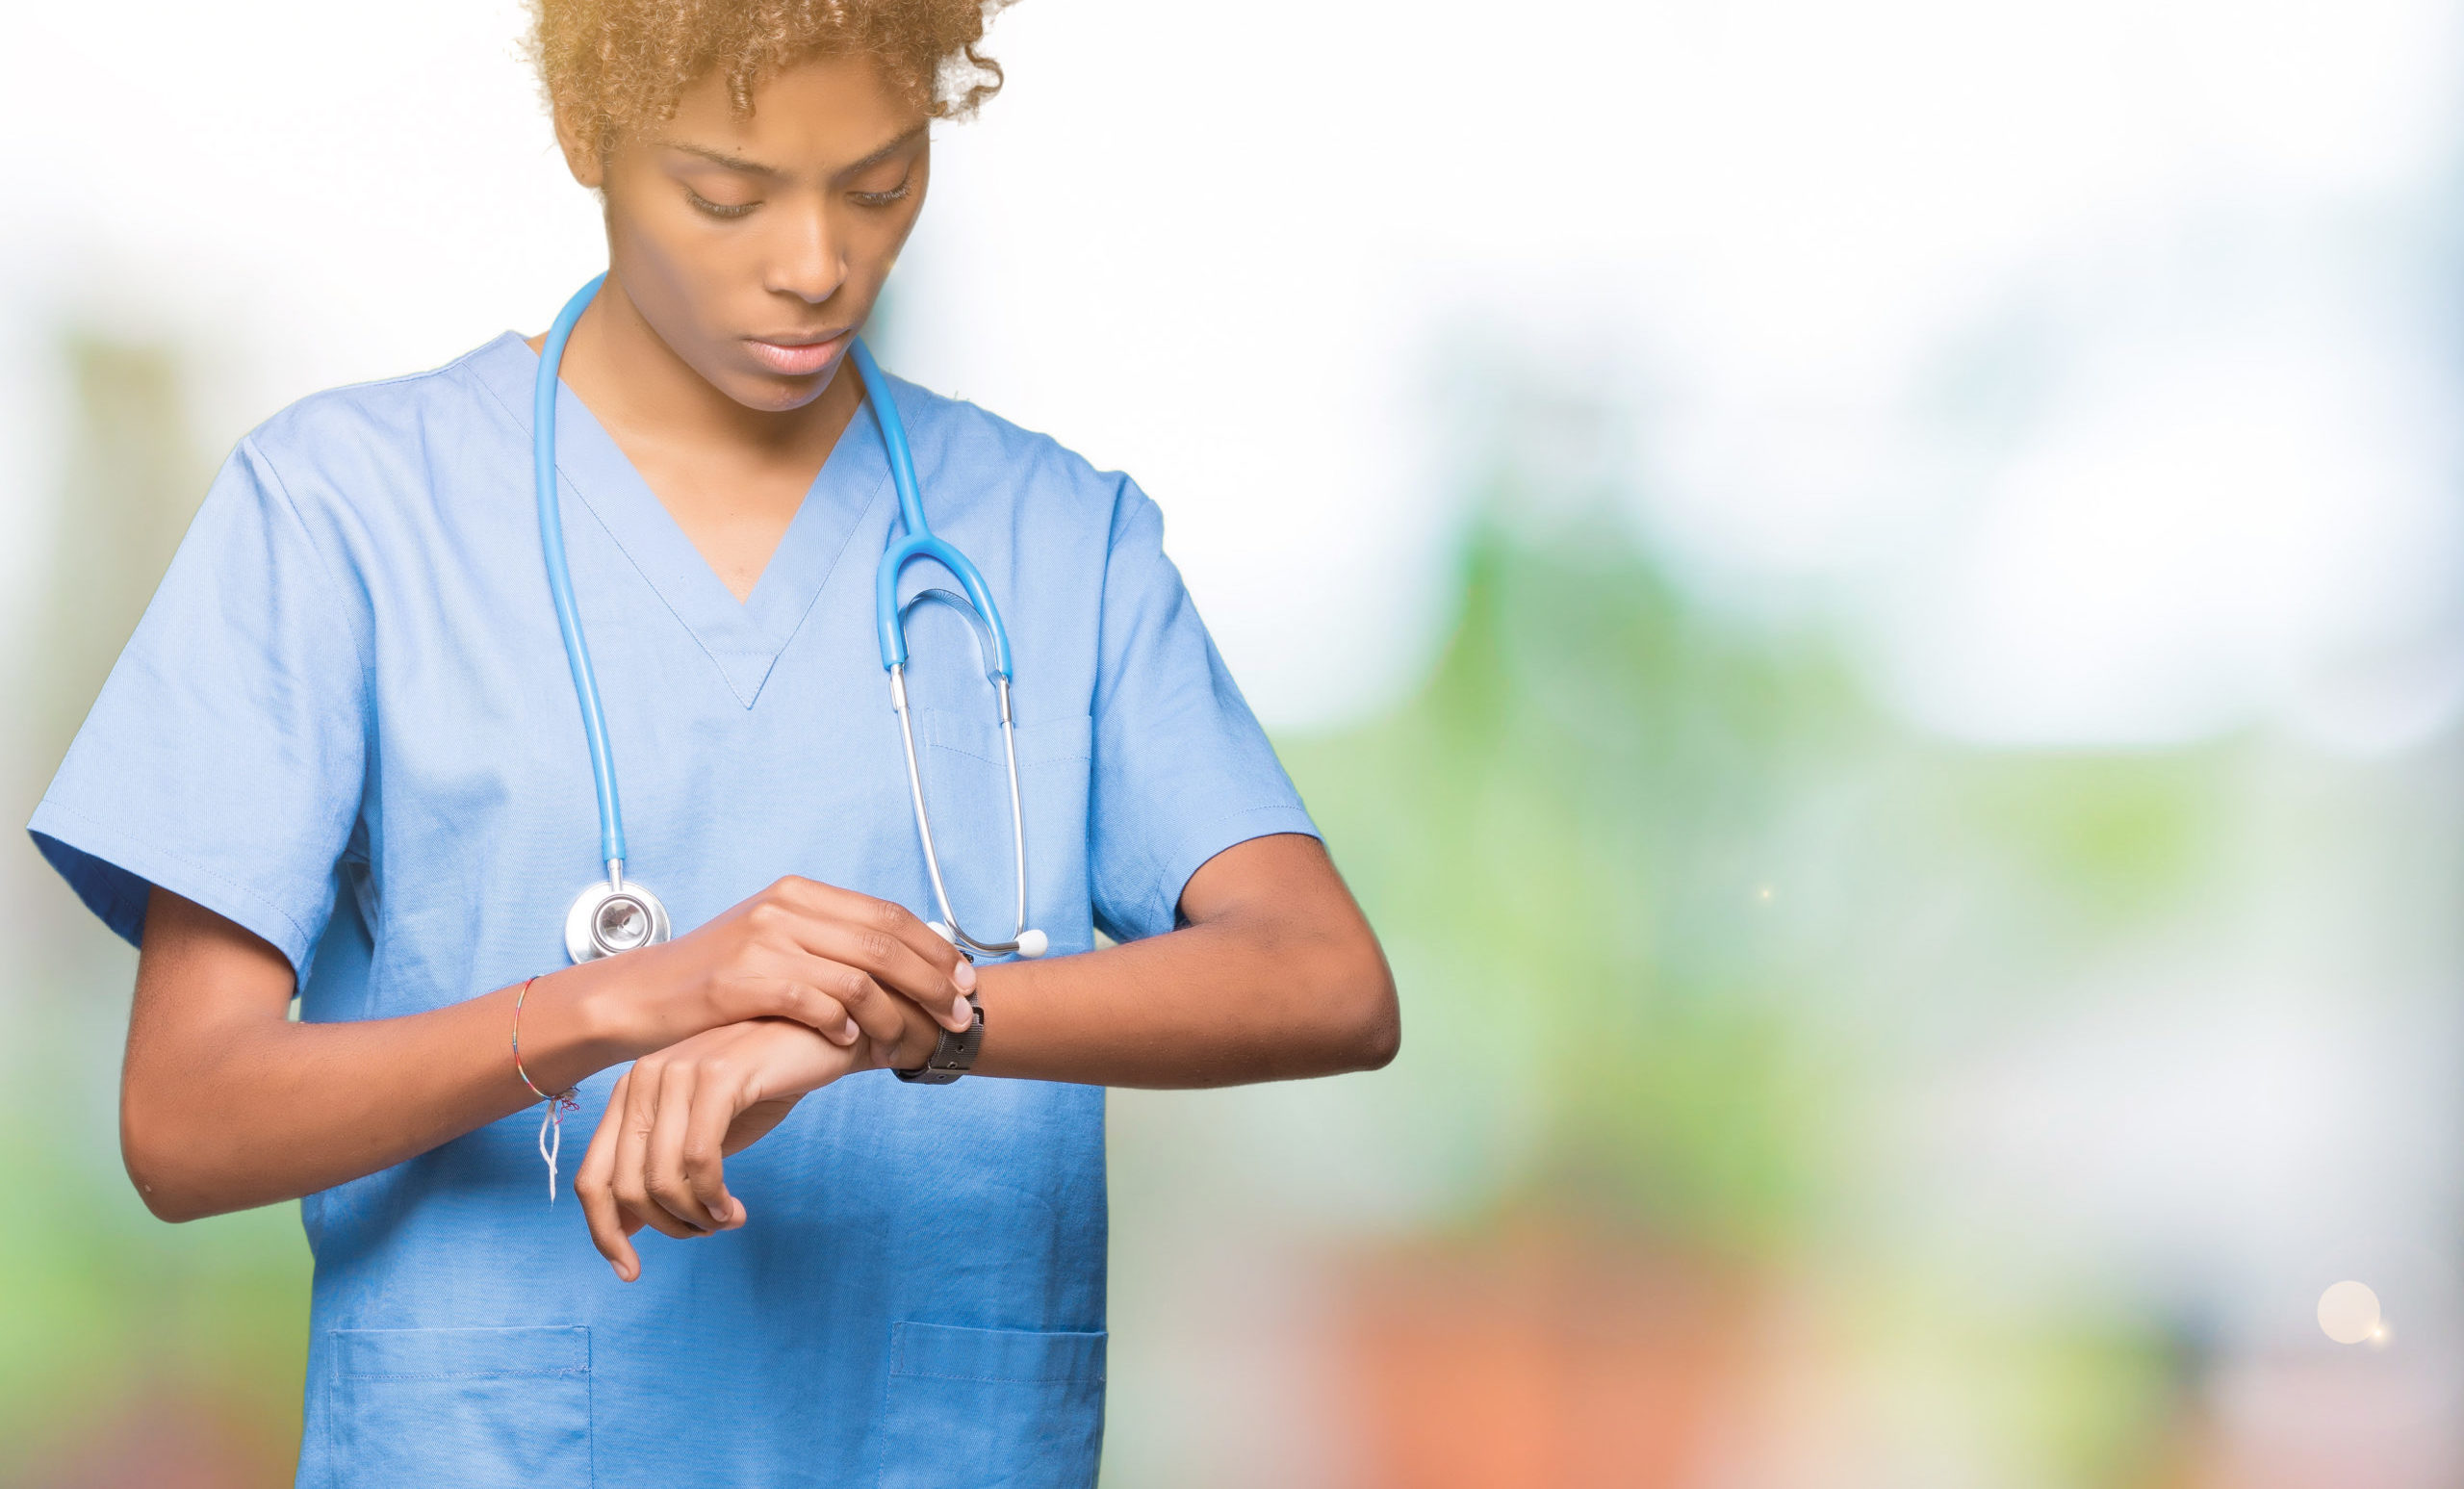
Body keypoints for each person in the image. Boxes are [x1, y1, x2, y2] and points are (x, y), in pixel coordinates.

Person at [25, 2, 1399, 1483]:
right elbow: (185, 1121)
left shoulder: (1061, 539)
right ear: (586, 137)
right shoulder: (344, 513)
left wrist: (902, 1017)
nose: (817, 266)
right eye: (727, 195)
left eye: (878, 186)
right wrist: (627, 1002)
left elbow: (1325, 980)